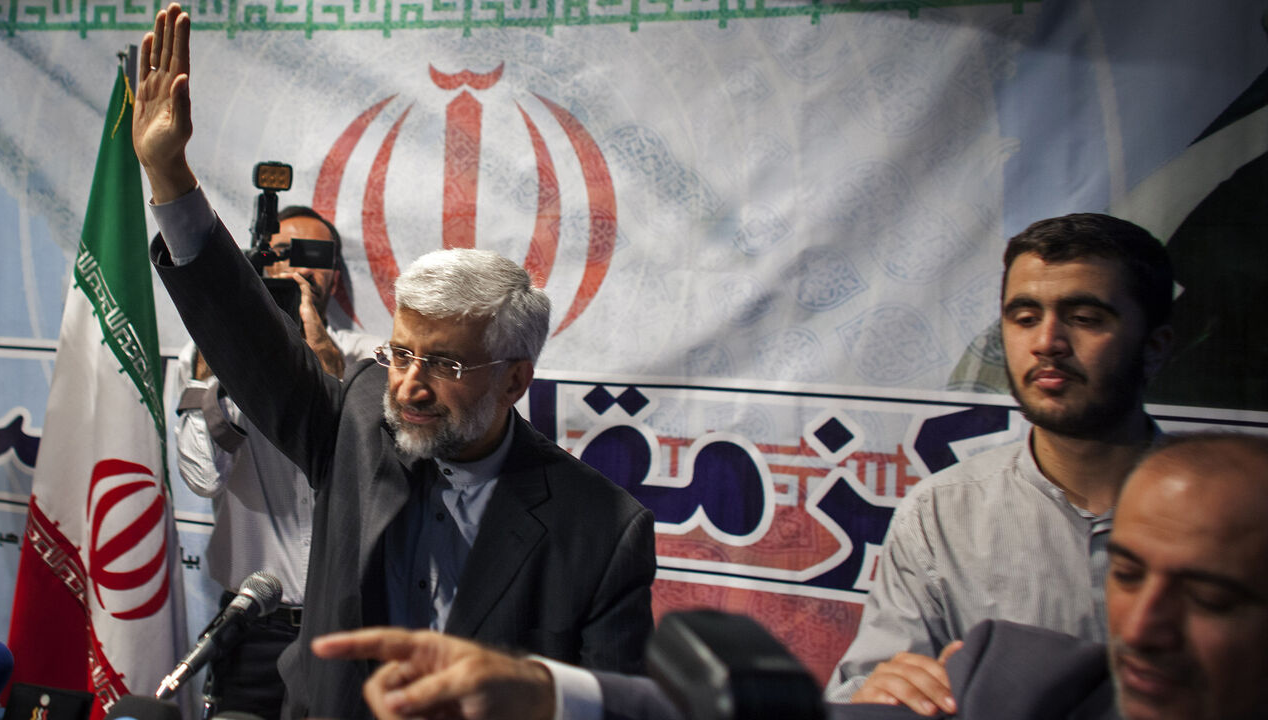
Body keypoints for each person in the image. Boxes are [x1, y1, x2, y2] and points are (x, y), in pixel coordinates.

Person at [132, 7, 656, 719]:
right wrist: (168, 174)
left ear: (514, 379)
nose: (408, 384)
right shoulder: (361, 416)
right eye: (401, 352)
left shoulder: (600, 528)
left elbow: (618, 705)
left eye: (443, 365)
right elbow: (249, 340)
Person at [315, 431, 1268, 720]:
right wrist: (538, 689)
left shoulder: (599, 524)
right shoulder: (1011, 682)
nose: (1141, 626)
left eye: (1212, 596)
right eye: (1128, 573)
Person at [826, 212, 1175, 714]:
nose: (1047, 343)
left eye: (1084, 318)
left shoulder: (1230, 517)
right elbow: (863, 690)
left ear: (1156, 346)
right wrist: (883, 693)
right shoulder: (940, 513)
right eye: (1025, 317)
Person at [174, 204, 381, 719]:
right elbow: (202, 477)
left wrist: (315, 350)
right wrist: (235, 359)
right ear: (258, 266)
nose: (300, 270)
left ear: (335, 272)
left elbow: (367, 464)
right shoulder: (202, 353)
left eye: (315, 257)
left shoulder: (374, 358)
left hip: (348, 626)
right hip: (254, 624)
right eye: (283, 255)